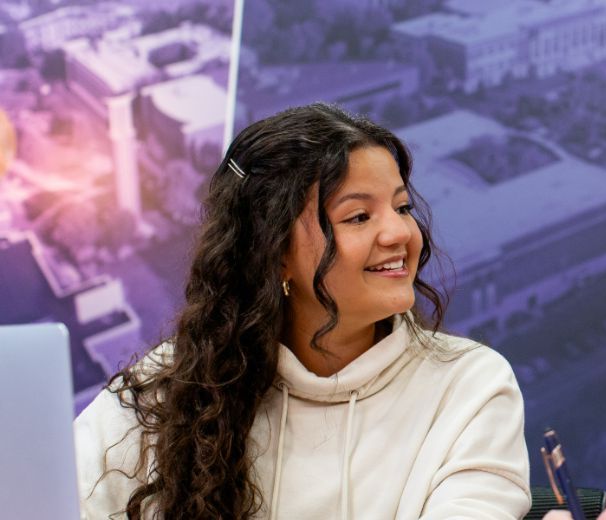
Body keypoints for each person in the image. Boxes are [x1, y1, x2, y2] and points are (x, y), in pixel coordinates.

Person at [74, 103, 530, 519]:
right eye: (358, 217)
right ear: (274, 252)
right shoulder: (170, 387)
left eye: (402, 206)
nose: (399, 233)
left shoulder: (469, 388)